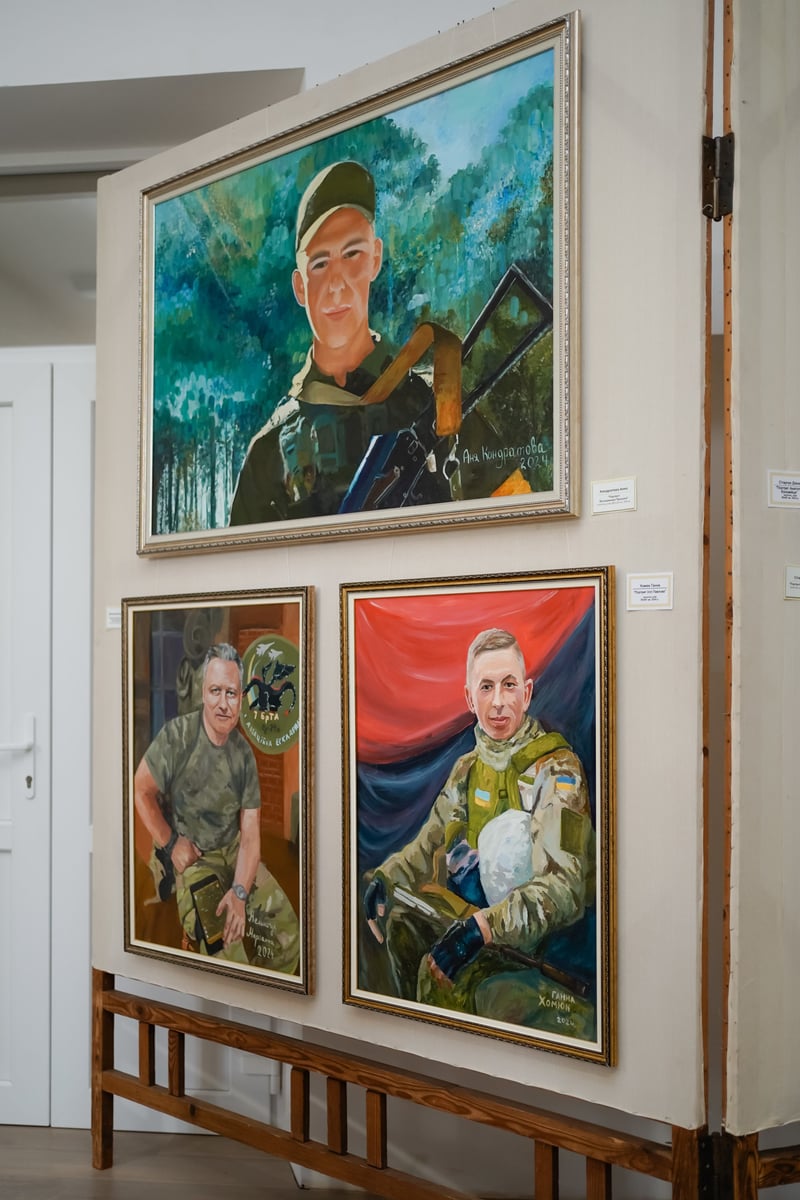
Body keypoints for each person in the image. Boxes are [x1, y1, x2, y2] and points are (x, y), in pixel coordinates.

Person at [362, 628, 595, 1035]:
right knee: (392, 928)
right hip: (481, 931)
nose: (498, 701)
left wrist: (485, 928)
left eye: (509, 685)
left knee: (448, 984)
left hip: (543, 955)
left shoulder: (558, 771)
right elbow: (428, 846)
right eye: (486, 687)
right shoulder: (466, 771)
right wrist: (386, 876)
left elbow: (564, 889)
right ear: (470, 698)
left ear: (527, 692)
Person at [229, 160, 449, 525]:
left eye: (352, 255)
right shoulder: (269, 451)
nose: (336, 284)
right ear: (300, 286)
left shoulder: (437, 402)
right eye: (320, 263)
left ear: (375, 259)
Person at [134, 642, 300, 974]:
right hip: (195, 857)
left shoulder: (243, 755)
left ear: (242, 698)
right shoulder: (177, 737)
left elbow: (250, 835)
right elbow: (141, 790)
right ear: (203, 693)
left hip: (234, 850)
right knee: (225, 948)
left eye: (232, 693)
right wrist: (171, 843)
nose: (223, 704)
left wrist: (239, 892)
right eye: (215, 691)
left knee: (288, 941)